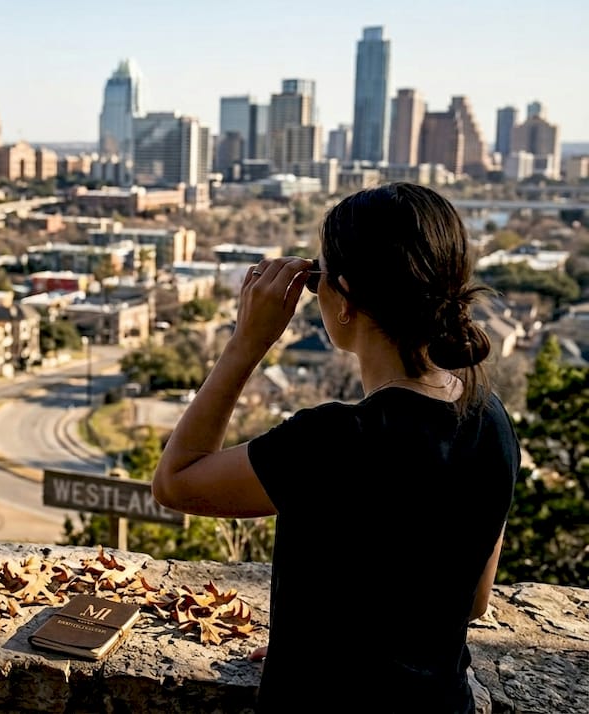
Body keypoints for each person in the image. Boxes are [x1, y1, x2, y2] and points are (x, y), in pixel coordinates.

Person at [151, 183, 517, 713]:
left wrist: (246, 342)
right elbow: (471, 599)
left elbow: (175, 480)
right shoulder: (490, 418)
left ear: (343, 298)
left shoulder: (335, 441)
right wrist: (318, 638)